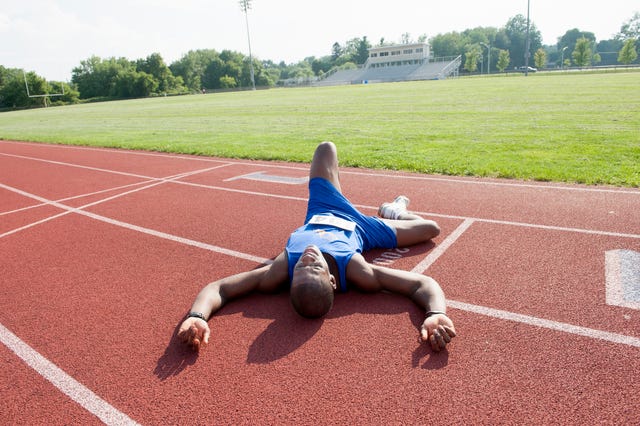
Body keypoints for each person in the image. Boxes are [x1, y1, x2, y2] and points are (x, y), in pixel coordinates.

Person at [178, 141, 456, 352]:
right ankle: (395, 211)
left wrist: (197, 316)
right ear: (332, 280)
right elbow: (421, 284)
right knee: (431, 229)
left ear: (291, 276)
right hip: (363, 228)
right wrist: (436, 313)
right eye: (315, 266)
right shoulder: (357, 271)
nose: (309, 256)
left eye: (302, 265)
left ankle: (387, 208)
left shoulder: (279, 269)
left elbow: (220, 288)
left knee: (326, 148)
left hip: (323, 206)